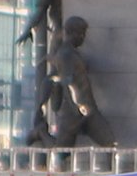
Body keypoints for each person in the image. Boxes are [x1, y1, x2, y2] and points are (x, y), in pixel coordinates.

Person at [49, 16, 117, 148]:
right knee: (62, 152)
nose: (83, 37)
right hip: (75, 111)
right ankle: (40, 134)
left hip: (88, 109)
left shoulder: (73, 53)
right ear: (73, 33)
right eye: (82, 33)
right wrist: (79, 105)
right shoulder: (65, 54)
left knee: (110, 143)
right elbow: (68, 82)